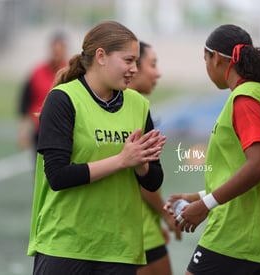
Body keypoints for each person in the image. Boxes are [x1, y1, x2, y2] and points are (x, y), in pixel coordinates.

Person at [27, 20, 166, 275]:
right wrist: (122, 160)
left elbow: (154, 180)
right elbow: (58, 176)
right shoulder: (63, 99)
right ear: (101, 56)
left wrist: (142, 165)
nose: (134, 69)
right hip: (66, 245)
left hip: (120, 248)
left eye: (136, 62)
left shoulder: (138, 105)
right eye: (128, 60)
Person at [164, 24, 260, 275]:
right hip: (255, 232)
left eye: (205, 59)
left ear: (218, 59)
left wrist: (205, 205)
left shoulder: (245, 98)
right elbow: (241, 168)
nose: (207, 67)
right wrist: (199, 196)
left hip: (237, 234)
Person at [128, 41, 180, 275]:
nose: (158, 72)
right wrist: (165, 215)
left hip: (141, 225)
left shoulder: (132, 105)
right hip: (135, 230)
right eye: (153, 64)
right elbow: (140, 175)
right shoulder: (128, 107)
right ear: (133, 67)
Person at [17, 31, 68, 153]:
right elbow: (25, 101)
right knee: (39, 168)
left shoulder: (71, 72)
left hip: (64, 129)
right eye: (54, 48)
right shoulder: (37, 72)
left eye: (60, 49)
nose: (57, 52)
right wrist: (23, 129)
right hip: (40, 129)